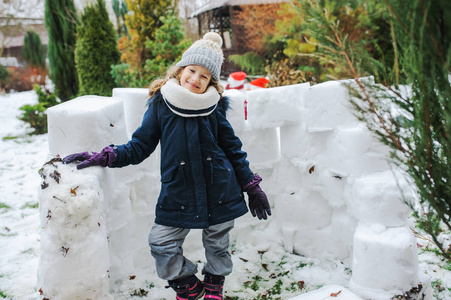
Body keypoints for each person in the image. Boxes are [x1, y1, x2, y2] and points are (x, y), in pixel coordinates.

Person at [62, 32, 271, 300]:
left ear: (212, 82)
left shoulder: (214, 108)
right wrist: (107, 156)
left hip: (220, 189)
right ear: (181, 69)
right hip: (179, 190)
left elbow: (232, 149)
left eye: (204, 76)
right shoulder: (161, 102)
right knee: (161, 242)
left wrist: (251, 186)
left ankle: (215, 286)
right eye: (192, 70)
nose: (195, 79)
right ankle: (187, 284)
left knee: (217, 244)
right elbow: (139, 146)